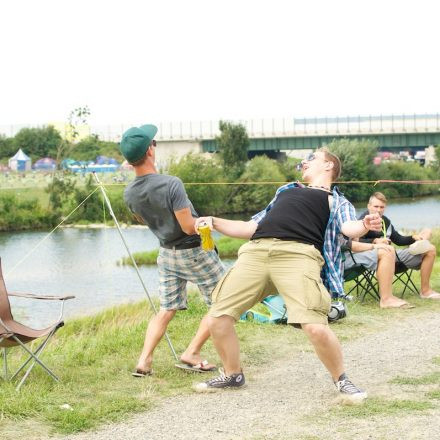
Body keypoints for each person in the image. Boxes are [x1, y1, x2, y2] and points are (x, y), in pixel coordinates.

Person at [193, 148, 382, 403]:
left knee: (314, 326)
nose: (304, 162)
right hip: (256, 251)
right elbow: (251, 227)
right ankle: (233, 374)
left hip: (298, 254)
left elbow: (349, 227)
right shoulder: (284, 192)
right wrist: (214, 221)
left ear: (328, 166)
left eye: (312, 158)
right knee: (217, 318)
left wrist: (365, 225)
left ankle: (342, 380)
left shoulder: (336, 201)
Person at [120, 124, 225, 377]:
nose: (155, 146)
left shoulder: (129, 192)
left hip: (166, 254)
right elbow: (189, 228)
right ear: (149, 151)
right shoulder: (172, 184)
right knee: (224, 300)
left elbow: (143, 220)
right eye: (153, 143)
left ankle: (144, 361)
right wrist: (207, 221)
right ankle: (192, 352)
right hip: (195, 251)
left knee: (167, 309)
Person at [359, 192, 439, 300]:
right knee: (390, 251)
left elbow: (399, 240)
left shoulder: (385, 221)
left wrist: (414, 237)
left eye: (382, 207)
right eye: (376, 206)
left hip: (394, 255)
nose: (378, 210)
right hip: (374, 258)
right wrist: (374, 241)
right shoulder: (362, 221)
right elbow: (355, 241)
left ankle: (425, 291)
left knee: (430, 249)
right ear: (369, 206)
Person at [342, 238, 413, 308]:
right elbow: (344, 243)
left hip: (349, 253)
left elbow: (353, 239)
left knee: (388, 249)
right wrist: (374, 243)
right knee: (386, 251)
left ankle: (389, 296)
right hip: (340, 259)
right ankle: (386, 299)